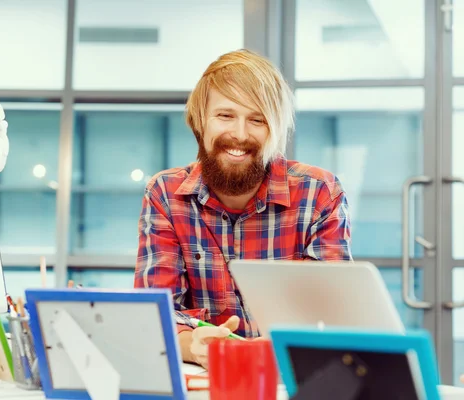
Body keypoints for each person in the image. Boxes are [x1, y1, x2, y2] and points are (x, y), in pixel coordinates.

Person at [134, 49, 352, 369]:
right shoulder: (165, 194)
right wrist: (194, 346)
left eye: (257, 120)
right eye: (225, 116)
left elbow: (333, 315)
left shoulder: (319, 192)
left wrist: (284, 344)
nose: (239, 134)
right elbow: (154, 314)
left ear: (275, 130)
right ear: (200, 122)